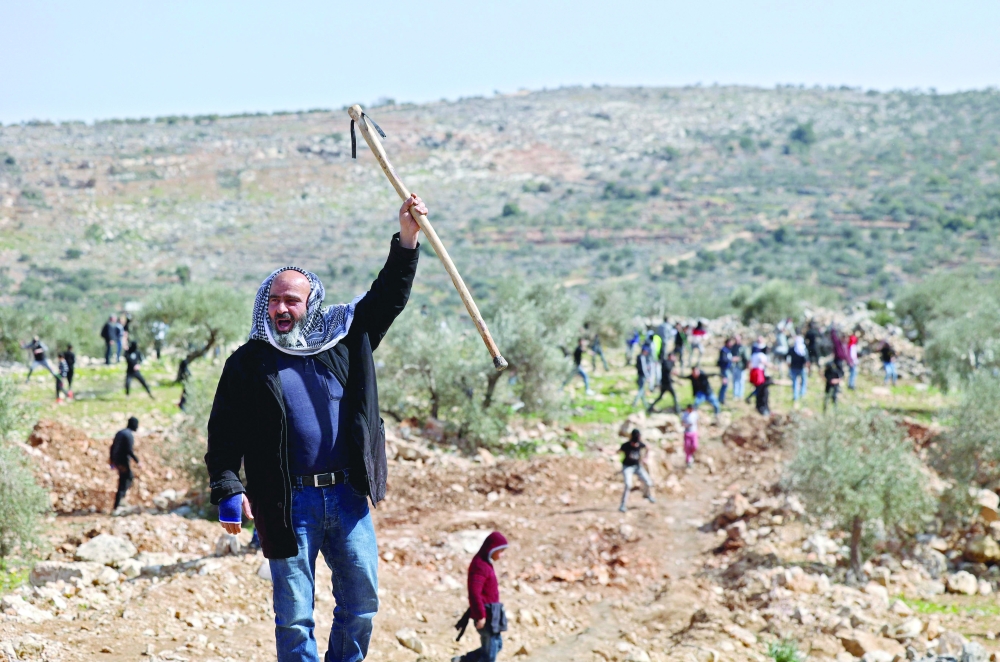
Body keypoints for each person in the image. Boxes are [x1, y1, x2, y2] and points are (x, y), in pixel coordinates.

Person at [205, 193, 426, 662]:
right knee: (294, 615)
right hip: (286, 502)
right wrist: (228, 487)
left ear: (312, 302)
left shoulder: (345, 341)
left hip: (347, 496)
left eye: (293, 300)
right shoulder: (248, 364)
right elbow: (223, 434)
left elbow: (388, 297)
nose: (282, 308)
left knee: (362, 605)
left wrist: (407, 239)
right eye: (274, 300)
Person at [452, 532, 509, 662]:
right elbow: (474, 592)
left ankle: (462, 660)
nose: (502, 555)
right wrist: (480, 615)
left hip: (492, 614)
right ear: (492, 549)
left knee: (496, 645)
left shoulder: (485, 564)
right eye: (501, 551)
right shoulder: (480, 566)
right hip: (486, 615)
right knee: (489, 655)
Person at [618, 429, 655, 512]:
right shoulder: (626, 445)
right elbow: (616, 452)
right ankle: (622, 505)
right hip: (627, 467)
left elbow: (648, 448)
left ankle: (647, 495)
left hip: (638, 466)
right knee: (628, 485)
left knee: (648, 482)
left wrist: (646, 458)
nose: (635, 445)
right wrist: (605, 451)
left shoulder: (640, 444)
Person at [109, 417, 140, 512]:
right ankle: (119, 502)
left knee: (123, 480)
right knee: (126, 479)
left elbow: (112, 446)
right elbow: (129, 450)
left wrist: (111, 460)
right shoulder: (128, 435)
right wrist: (138, 461)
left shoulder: (120, 433)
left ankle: (117, 504)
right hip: (123, 461)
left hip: (117, 460)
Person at [789, 335, 809, 404]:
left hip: (793, 368)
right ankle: (802, 394)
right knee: (803, 381)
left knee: (795, 382)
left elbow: (787, 357)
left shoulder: (792, 349)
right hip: (801, 368)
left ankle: (796, 396)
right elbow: (806, 360)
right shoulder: (804, 350)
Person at [716, 338, 734, 404]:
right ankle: (721, 399)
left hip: (727, 369)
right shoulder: (724, 350)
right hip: (724, 370)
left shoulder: (728, 350)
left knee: (726, 385)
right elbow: (723, 359)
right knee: (725, 384)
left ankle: (722, 398)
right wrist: (732, 359)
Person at [731, 335, 747, 399]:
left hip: (741, 366)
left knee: (741, 380)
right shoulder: (733, 347)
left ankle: (741, 394)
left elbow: (745, 357)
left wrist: (745, 365)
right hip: (734, 366)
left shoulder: (743, 347)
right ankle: (735, 394)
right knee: (735, 380)